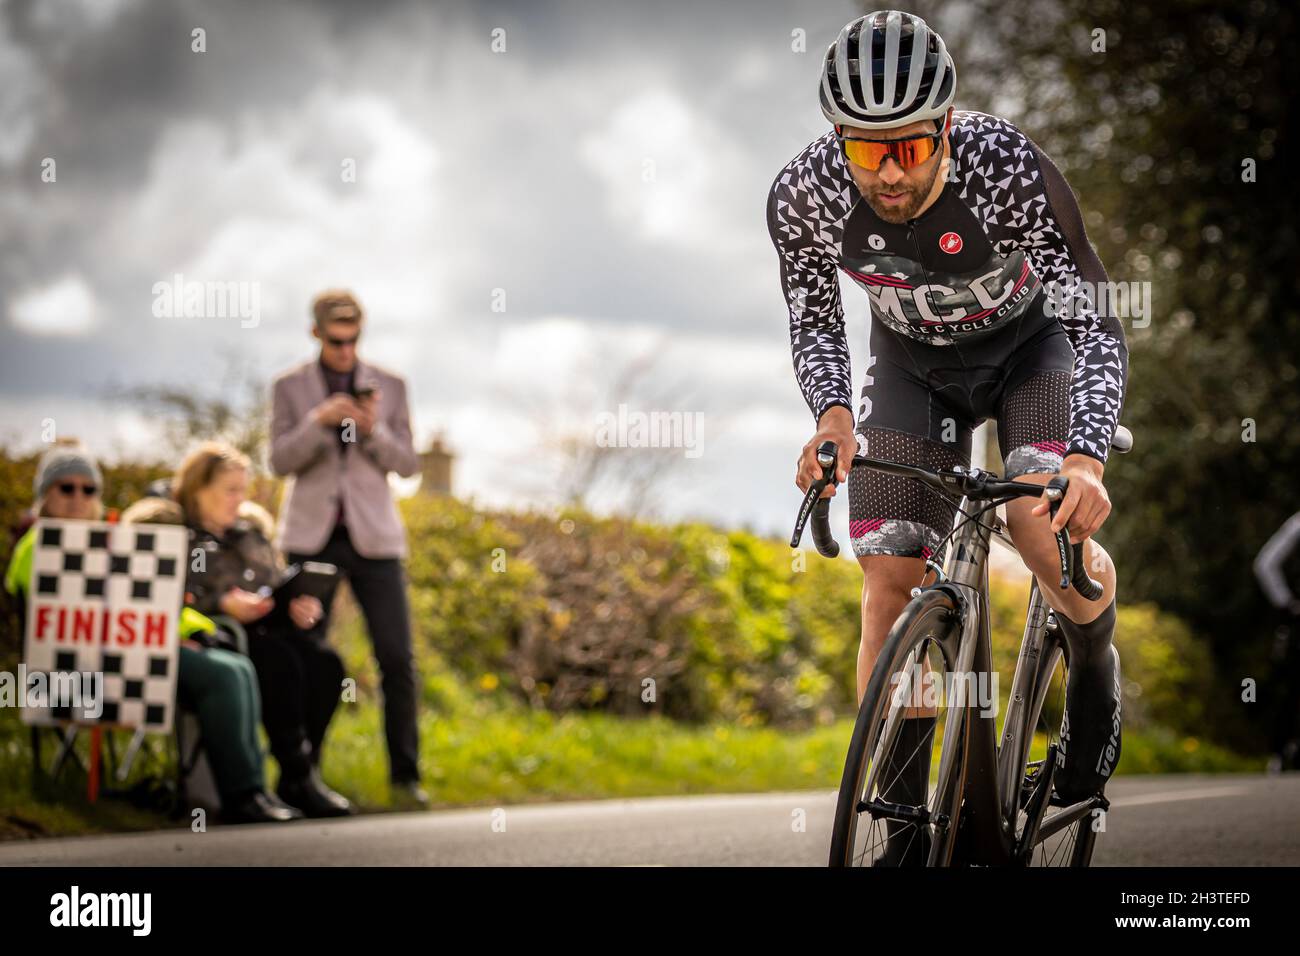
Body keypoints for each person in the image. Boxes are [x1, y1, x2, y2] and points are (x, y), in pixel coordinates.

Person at [770, 12, 1127, 861]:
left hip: (1029, 356)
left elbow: (1095, 316)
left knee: (1040, 527)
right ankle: (897, 826)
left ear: (945, 130)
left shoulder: (1009, 168)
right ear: (838, 140)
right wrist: (830, 418)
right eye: (866, 150)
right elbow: (815, 319)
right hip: (912, 371)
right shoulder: (804, 194)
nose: (888, 172)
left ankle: (1096, 695)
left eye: (909, 148)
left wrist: (1084, 457)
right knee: (891, 576)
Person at [4, 440, 297, 824]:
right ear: (45, 495)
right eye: (65, 487)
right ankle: (240, 795)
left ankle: (256, 789)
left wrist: (199, 630)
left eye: (88, 488)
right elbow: (51, 608)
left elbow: (151, 605)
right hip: (74, 673)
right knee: (223, 675)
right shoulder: (35, 544)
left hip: (144, 649)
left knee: (237, 666)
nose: (77, 497)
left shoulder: (113, 542)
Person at [269, 289, 426, 806]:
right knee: (305, 657)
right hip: (311, 536)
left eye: (354, 339)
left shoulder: (392, 386)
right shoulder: (290, 388)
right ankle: (301, 776)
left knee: (397, 657)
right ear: (316, 333)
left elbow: (408, 465)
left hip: (375, 539)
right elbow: (279, 461)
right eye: (336, 340)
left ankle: (406, 777)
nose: (345, 349)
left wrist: (371, 429)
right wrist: (318, 422)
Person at [174, 441, 353, 817]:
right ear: (199, 489)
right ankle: (291, 775)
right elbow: (175, 599)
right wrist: (222, 604)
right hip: (219, 638)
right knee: (279, 661)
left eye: (243, 490)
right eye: (230, 490)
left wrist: (297, 606)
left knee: (325, 662)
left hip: (269, 628)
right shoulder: (181, 539)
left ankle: (301, 773)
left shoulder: (250, 536)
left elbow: (275, 583)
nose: (239, 500)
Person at [1254, 511, 1300, 771]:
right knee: (1291, 686)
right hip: (1296, 621)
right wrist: (1287, 604)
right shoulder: (1298, 524)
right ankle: (1280, 753)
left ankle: (1281, 752)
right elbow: (1266, 563)